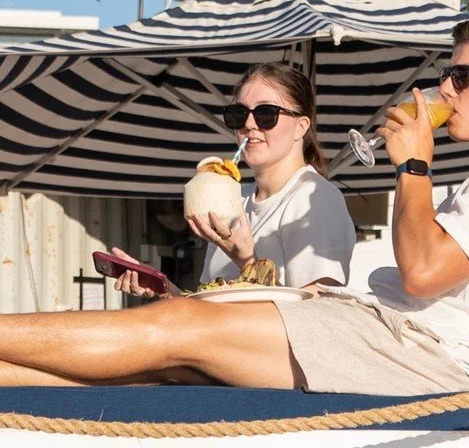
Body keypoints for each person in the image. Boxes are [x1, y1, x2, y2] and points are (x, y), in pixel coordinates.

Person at [0, 16, 469, 399]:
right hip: (397, 338)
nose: (443, 90)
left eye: (459, 74)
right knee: (176, 356)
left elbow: (421, 272)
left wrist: (413, 161)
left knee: (177, 326)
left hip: (437, 367)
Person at [109, 62, 355, 297]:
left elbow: (315, 314)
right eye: (238, 114)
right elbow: (212, 308)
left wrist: (246, 260)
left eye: (266, 114)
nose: (249, 124)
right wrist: (161, 289)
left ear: (301, 127)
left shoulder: (316, 199)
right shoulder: (235, 199)